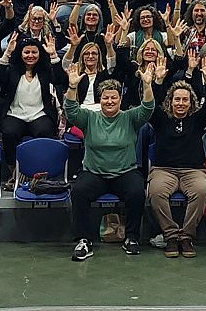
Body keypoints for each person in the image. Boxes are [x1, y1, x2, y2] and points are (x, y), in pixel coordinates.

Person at [65, 72, 155, 262]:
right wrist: (72, 87)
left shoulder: (130, 118)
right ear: (100, 100)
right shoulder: (89, 118)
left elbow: (148, 107)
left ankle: (131, 237)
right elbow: (71, 111)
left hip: (125, 172)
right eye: (106, 97)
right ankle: (84, 240)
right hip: (94, 173)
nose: (110, 101)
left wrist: (147, 85)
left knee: (137, 192)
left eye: (114, 97)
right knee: (78, 191)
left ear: (120, 99)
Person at [146, 74, 206, 259]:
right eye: (177, 99)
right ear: (170, 101)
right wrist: (157, 82)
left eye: (185, 100)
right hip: (163, 170)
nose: (181, 103)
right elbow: (152, 105)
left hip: (193, 171)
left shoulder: (197, 120)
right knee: (155, 193)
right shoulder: (161, 119)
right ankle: (170, 236)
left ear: (191, 102)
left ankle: (186, 237)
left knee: (201, 192)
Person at [0, 36, 66, 187]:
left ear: (40, 54)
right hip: (15, 114)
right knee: (9, 133)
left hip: (39, 114)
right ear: (20, 54)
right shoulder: (13, 70)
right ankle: (14, 174)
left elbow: (60, 79)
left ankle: (40, 174)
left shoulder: (45, 71)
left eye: (34, 52)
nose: (30, 56)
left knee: (45, 131)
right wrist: (7, 52)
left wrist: (54, 55)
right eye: (26, 52)